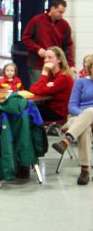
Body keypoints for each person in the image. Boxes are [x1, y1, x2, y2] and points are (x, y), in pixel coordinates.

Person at [52, 54, 93, 185]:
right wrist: (85, 116)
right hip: (77, 119)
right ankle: (85, 170)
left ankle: (67, 140)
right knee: (85, 127)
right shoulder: (81, 82)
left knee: (91, 111)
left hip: (81, 121)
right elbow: (72, 105)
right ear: (90, 69)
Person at [22, 0, 75, 85]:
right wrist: (38, 49)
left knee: (52, 89)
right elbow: (26, 38)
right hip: (37, 64)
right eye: (59, 12)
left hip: (55, 65)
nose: (61, 15)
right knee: (38, 89)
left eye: (63, 13)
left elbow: (68, 46)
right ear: (52, 8)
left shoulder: (64, 25)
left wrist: (71, 65)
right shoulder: (37, 20)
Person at [29, 46, 74, 121]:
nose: (46, 60)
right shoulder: (51, 75)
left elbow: (41, 91)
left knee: (27, 111)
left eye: (50, 57)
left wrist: (44, 73)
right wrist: (45, 85)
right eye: (45, 58)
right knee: (26, 107)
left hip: (57, 112)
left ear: (59, 59)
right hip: (48, 107)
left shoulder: (64, 77)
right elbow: (32, 88)